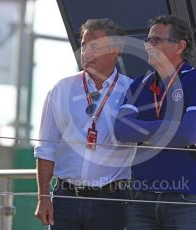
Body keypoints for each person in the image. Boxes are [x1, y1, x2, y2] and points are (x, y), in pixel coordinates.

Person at [114, 15, 196, 229]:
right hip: (142, 196)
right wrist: (172, 128)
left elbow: (190, 133)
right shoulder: (138, 85)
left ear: (180, 46)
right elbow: (121, 130)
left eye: (156, 40)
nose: (148, 45)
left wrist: (143, 132)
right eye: (148, 40)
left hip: (185, 196)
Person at [34, 18, 135, 230]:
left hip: (111, 203)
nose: (86, 54)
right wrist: (43, 198)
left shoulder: (133, 91)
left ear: (115, 49)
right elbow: (46, 148)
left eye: (95, 47)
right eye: (83, 46)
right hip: (65, 201)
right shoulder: (61, 89)